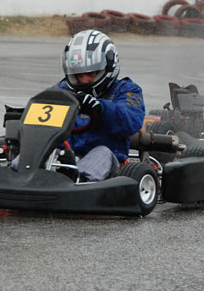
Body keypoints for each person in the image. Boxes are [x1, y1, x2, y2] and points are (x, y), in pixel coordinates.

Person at [57, 29, 145, 181]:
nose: (84, 80)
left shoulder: (126, 90)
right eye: (79, 75)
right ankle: (18, 176)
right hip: (65, 155)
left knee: (101, 153)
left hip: (107, 161)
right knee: (37, 149)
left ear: (108, 67)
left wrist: (101, 108)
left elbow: (131, 120)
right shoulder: (61, 90)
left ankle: (80, 181)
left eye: (91, 74)